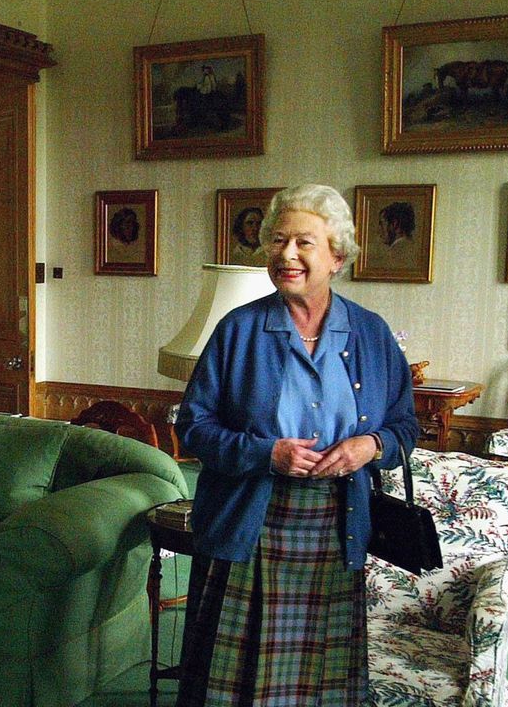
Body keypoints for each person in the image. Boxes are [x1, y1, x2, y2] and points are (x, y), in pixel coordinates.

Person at [174, 183, 419, 707]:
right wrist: (267, 454)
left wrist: (370, 446)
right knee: (232, 678)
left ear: (337, 255)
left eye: (304, 243)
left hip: (335, 525)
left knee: (317, 681)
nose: (287, 255)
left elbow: (406, 427)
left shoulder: (372, 334)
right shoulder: (237, 330)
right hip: (249, 520)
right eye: (278, 241)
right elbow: (192, 427)